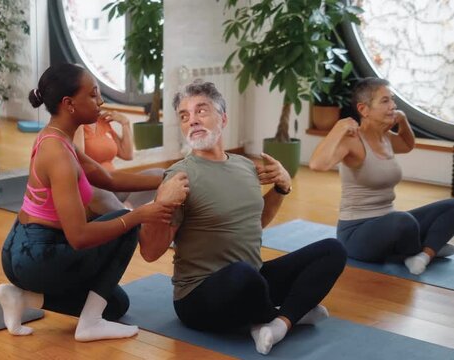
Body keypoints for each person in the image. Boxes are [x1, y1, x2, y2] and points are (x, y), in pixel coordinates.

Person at [138, 80, 347, 355]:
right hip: (200, 298)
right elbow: (151, 252)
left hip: (251, 281)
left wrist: (282, 187)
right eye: (184, 116)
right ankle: (289, 312)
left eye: (201, 111)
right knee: (243, 273)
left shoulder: (245, 166)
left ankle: (279, 323)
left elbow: (254, 222)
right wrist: (162, 204)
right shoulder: (179, 176)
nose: (192, 120)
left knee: (332, 250)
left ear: (223, 118)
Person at [0, 63, 187, 342]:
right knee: (127, 224)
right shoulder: (57, 153)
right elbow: (79, 237)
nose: (101, 101)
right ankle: (90, 324)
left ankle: (23, 297)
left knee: (117, 305)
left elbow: (108, 179)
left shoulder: (58, 138)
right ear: (69, 104)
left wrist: (168, 178)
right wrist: (142, 214)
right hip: (38, 256)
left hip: (23, 250)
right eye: (94, 95)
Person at [309, 77, 454, 275]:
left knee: (450, 206)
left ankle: (423, 255)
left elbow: (407, 145)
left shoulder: (386, 137)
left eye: (392, 100)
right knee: (404, 221)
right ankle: (427, 246)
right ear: (363, 109)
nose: (393, 106)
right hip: (357, 234)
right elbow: (317, 164)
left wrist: (402, 120)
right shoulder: (352, 141)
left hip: (389, 225)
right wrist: (338, 128)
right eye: (385, 101)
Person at [75, 110, 164, 216]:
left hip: (115, 185)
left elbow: (127, 154)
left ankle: (127, 210)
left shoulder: (102, 123)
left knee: (161, 174)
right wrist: (79, 125)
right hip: (97, 188)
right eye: (93, 96)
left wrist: (125, 124)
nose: (100, 101)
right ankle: (127, 216)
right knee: (92, 191)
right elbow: (77, 160)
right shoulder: (76, 126)